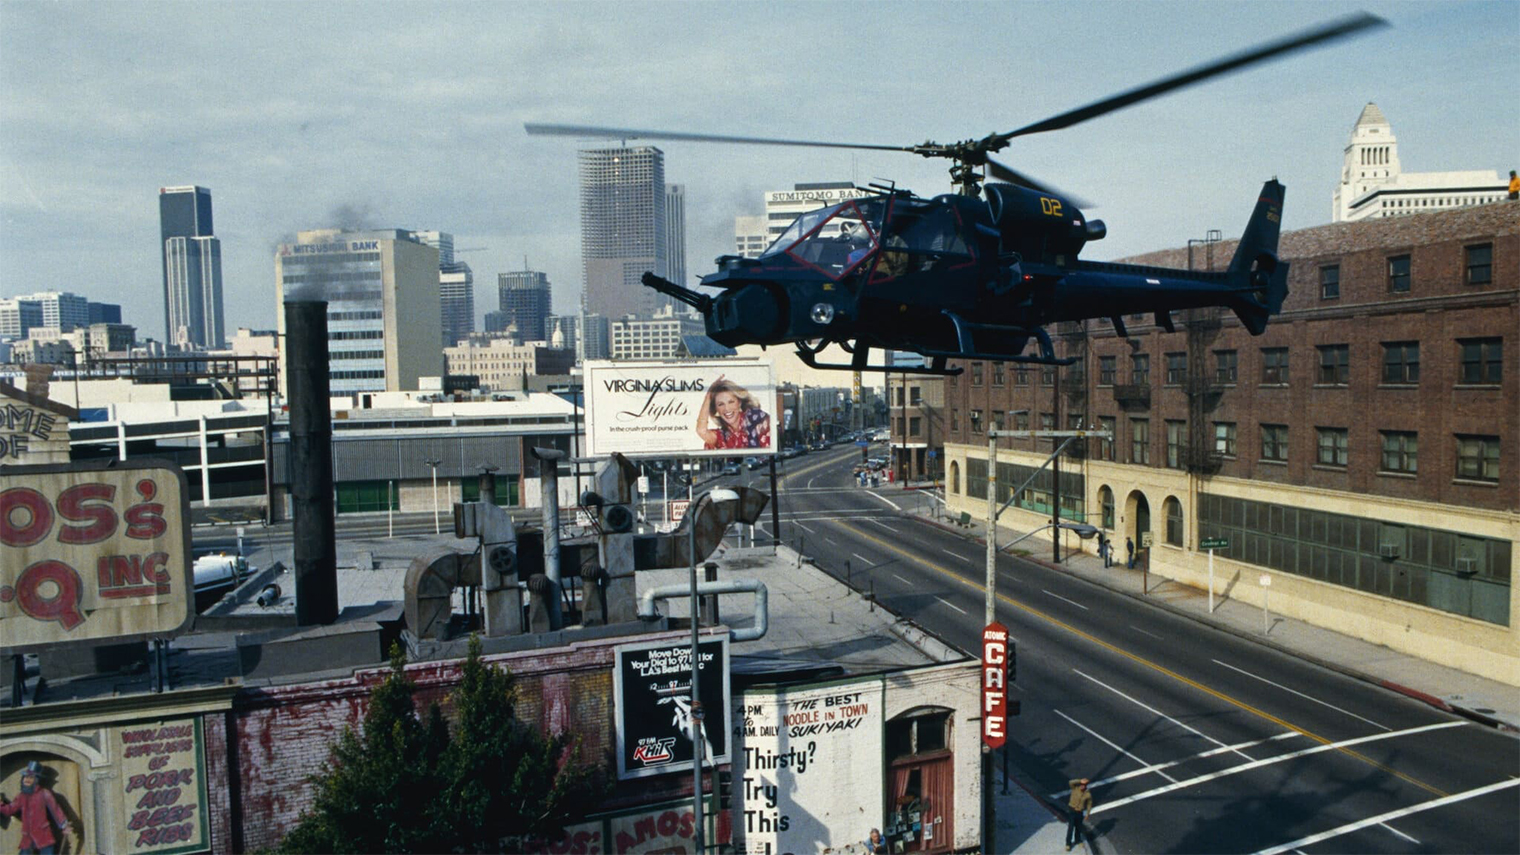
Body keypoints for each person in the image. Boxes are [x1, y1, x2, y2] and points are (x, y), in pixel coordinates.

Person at [1, 761, 71, 855]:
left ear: (36, 779)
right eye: (25, 777)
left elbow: (56, 810)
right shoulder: (21, 796)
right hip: (28, 836)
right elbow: (10, 809)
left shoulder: (44, 793)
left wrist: (64, 825)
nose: (27, 780)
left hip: (43, 834)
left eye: (31, 777)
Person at [695, 375, 771, 450]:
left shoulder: (756, 418)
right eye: (721, 404)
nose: (727, 409)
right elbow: (701, 431)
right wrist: (708, 396)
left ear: (739, 403)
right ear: (716, 409)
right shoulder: (721, 437)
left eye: (731, 402)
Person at [1065, 777, 1093, 851]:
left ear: (1086, 786)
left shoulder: (1088, 794)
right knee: (1070, 828)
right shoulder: (1075, 788)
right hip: (1072, 810)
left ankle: (1078, 840)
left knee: (1078, 827)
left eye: (1084, 785)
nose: (1082, 786)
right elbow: (1070, 782)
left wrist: (1087, 814)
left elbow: (1089, 804)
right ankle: (1068, 843)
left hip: (1079, 812)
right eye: (1081, 784)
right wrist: (1079, 780)